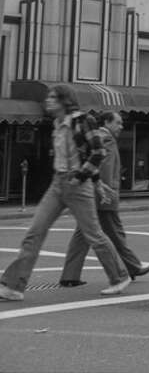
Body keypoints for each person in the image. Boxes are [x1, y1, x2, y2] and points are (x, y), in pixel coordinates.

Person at [0, 85, 132, 301]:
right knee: (35, 232)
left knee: (94, 235)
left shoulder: (83, 121)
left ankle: (119, 276)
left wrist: (84, 178)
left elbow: (97, 152)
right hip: (58, 183)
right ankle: (13, 286)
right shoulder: (57, 123)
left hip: (77, 185)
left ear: (64, 101)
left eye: (53, 98)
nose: (48, 101)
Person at [60, 112, 149, 287]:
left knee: (83, 234)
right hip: (103, 195)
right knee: (115, 232)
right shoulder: (108, 139)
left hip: (92, 194)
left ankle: (70, 275)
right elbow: (106, 169)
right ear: (107, 122)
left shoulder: (100, 137)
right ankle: (132, 267)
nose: (121, 126)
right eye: (118, 123)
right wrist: (107, 193)